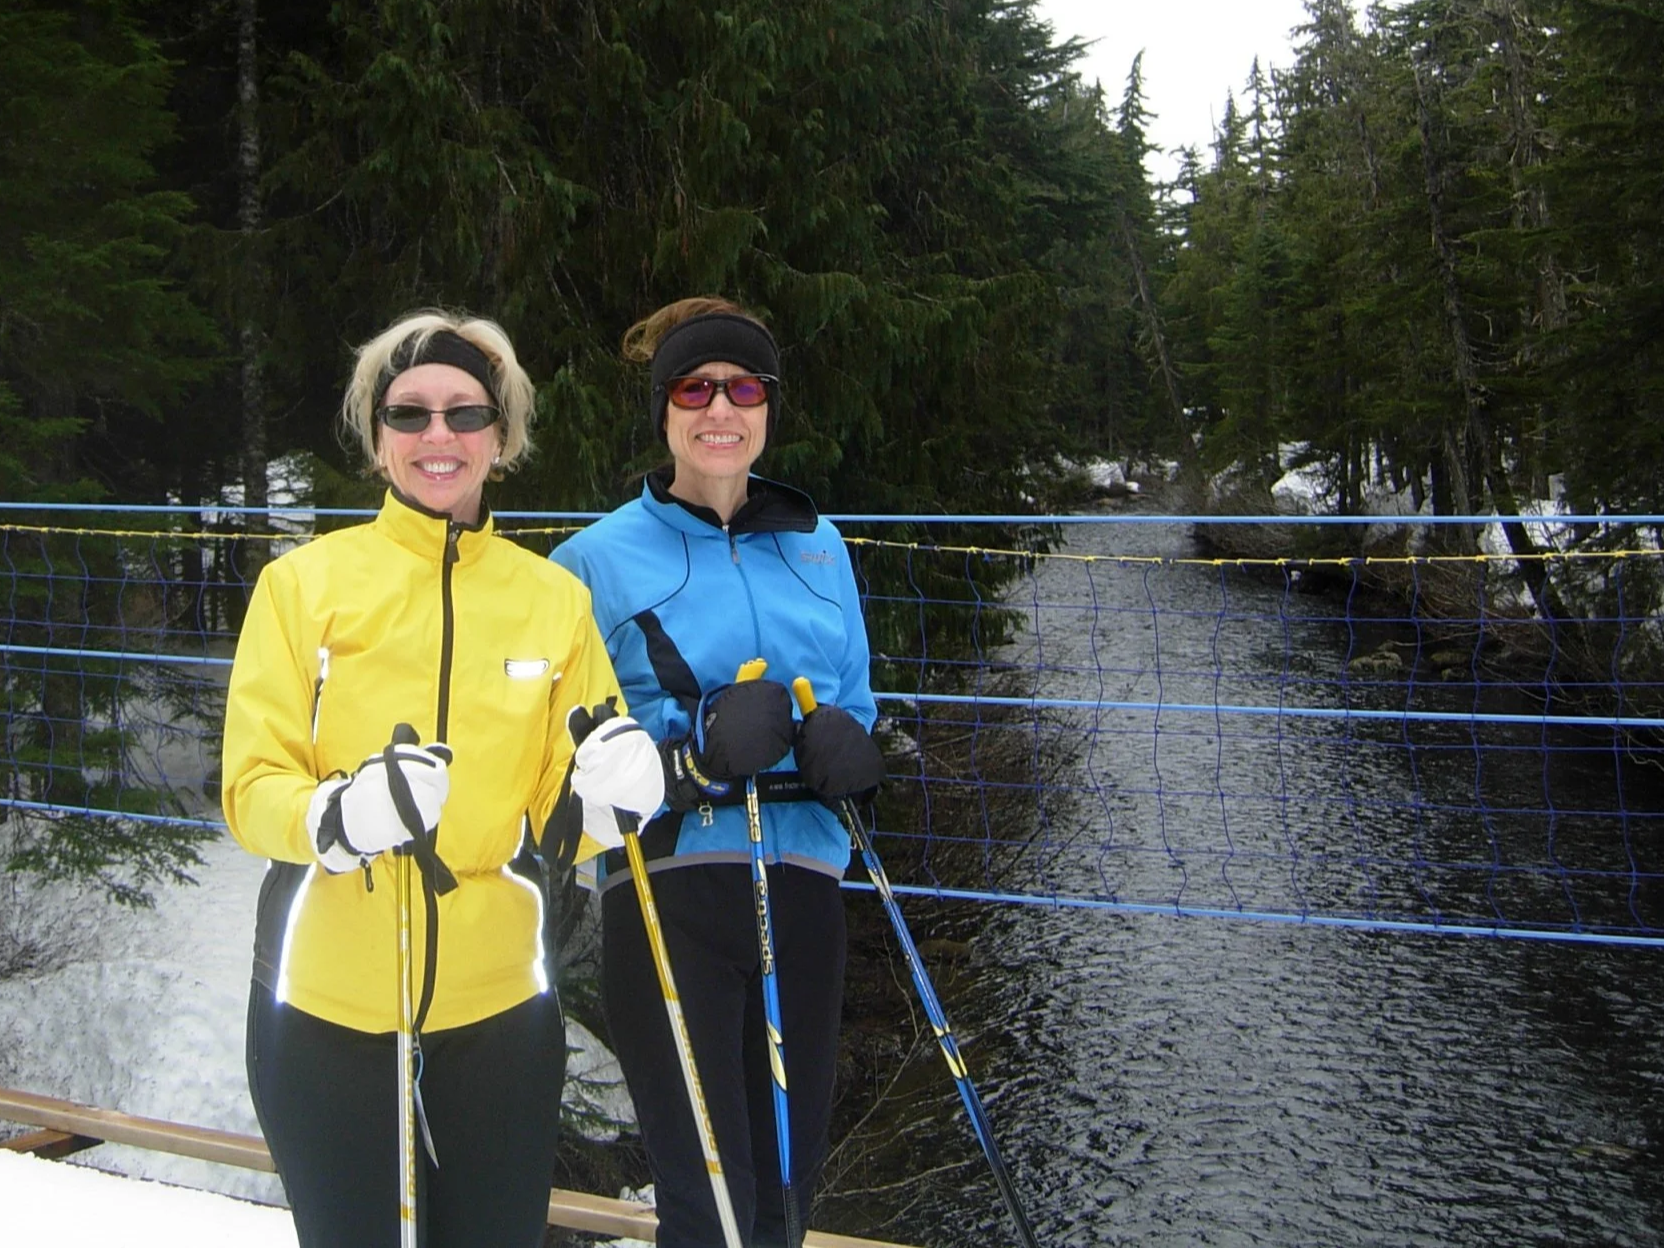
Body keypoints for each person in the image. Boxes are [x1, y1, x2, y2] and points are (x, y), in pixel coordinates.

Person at [221, 309, 664, 1248]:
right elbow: (252, 788)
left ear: (500, 437)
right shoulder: (302, 587)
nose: (438, 437)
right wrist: (337, 816)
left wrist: (602, 801)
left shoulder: (552, 599)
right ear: (376, 436)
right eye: (409, 413)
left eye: (466, 414)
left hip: (498, 998)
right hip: (326, 995)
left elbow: (560, 808)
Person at [550, 297, 888, 1247]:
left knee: (785, 1195)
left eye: (744, 388)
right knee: (710, 1202)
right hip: (672, 892)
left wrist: (856, 758)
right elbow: (569, 764)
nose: (720, 410)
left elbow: (856, 699)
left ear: (770, 406)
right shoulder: (592, 560)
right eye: (695, 388)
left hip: (805, 885)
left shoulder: (819, 545)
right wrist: (688, 757)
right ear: (663, 410)